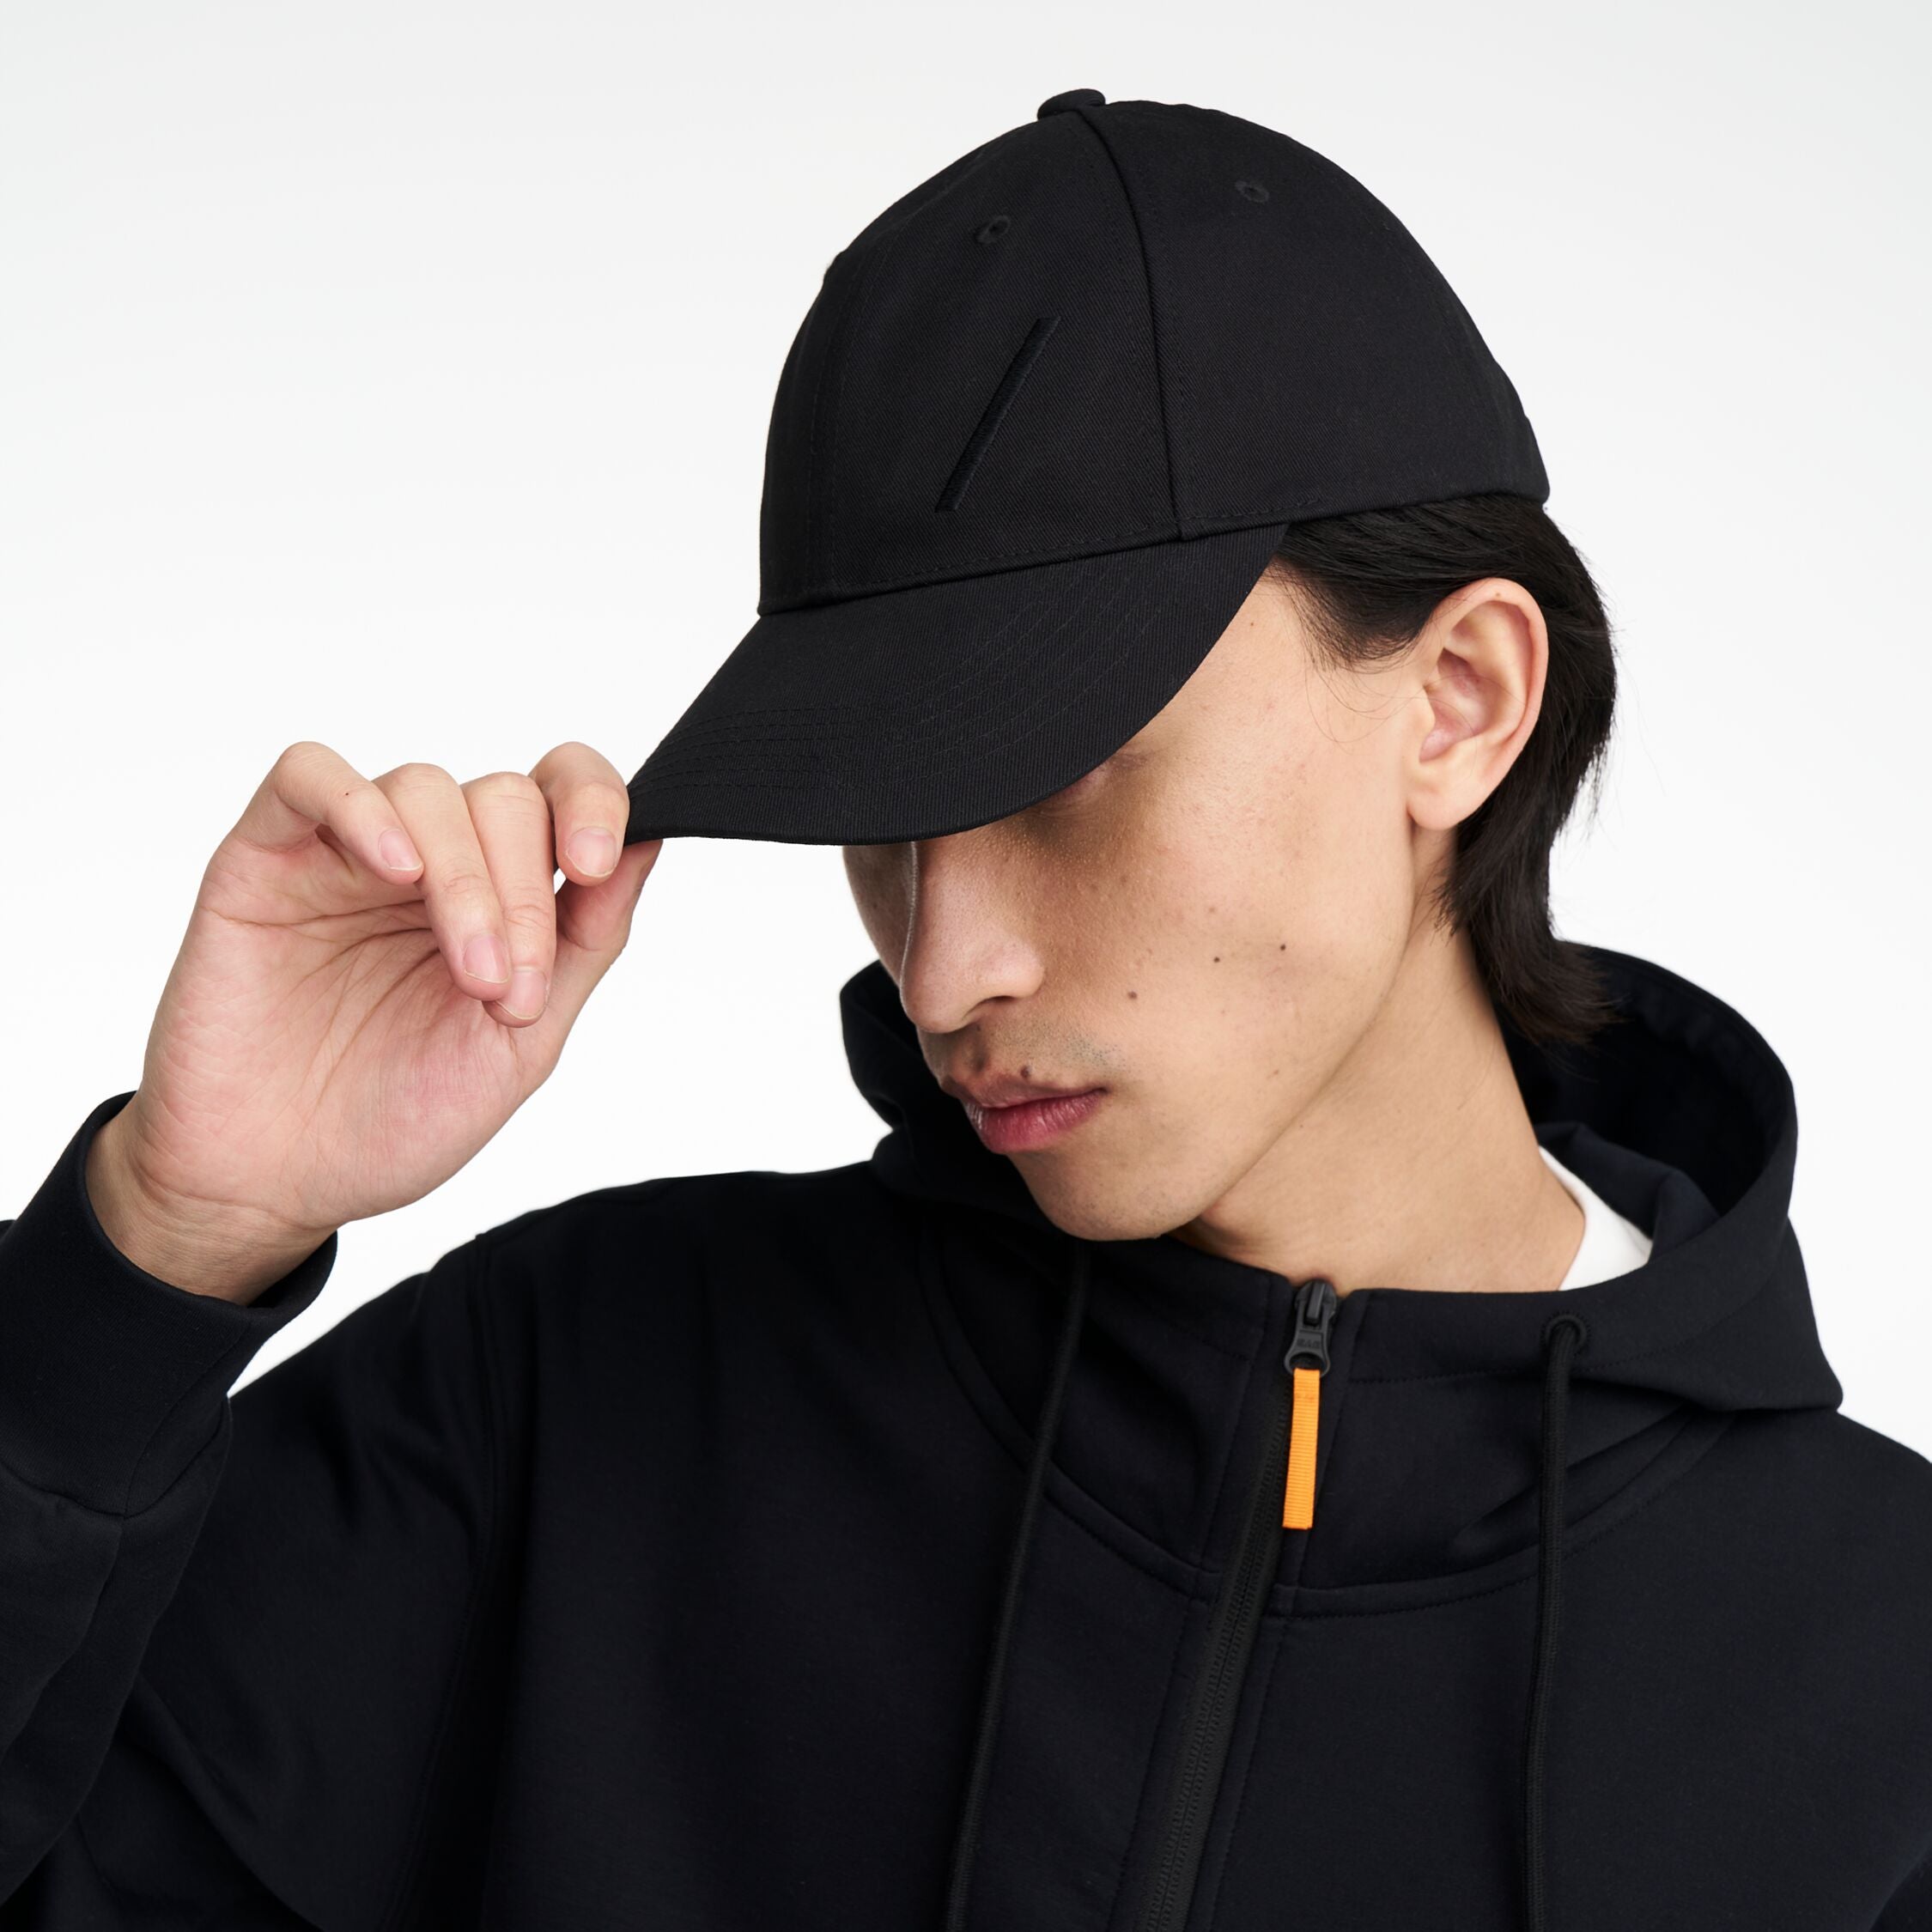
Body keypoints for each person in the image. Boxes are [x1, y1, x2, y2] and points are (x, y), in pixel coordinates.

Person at [3, 87, 1929, 1932]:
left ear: (1459, 703)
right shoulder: (570, 1402)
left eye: (1064, 775)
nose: (940, 971)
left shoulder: (1877, 1674)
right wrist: (157, 1253)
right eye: (886, 817)